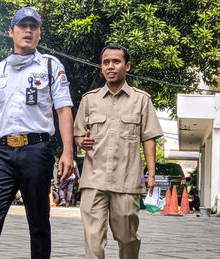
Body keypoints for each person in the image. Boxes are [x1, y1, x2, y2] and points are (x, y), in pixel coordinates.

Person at [0, 7, 73, 259]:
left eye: (33, 27)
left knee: (38, 221)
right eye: (22, 26)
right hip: (2, 153)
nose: (28, 30)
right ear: (11, 32)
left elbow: (63, 110)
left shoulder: (50, 65)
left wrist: (68, 152)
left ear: (38, 34)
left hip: (36, 151)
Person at [74, 44, 163, 259]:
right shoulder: (89, 99)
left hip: (127, 181)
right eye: (106, 63)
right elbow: (78, 134)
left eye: (116, 62)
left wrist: (151, 176)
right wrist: (81, 142)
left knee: (127, 237)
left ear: (127, 66)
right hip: (94, 180)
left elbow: (148, 138)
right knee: (93, 237)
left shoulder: (141, 100)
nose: (110, 67)